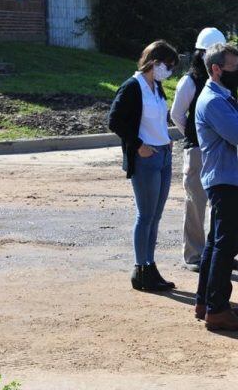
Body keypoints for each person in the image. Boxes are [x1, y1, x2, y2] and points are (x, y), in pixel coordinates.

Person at [193, 43, 238, 331]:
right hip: (225, 181)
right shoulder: (214, 101)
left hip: (226, 179)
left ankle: (206, 301)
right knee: (225, 245)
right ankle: (217, 309)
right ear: (216, 70)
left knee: (215, 243)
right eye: (234, 67)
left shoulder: (222, 96)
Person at [108, 40, 179, 292]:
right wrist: (138, 145)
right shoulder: (132, 86)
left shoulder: (156, 86)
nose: (169, 71)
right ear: (155, 62)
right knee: (145, 215)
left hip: (163, 155)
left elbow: (158, 117)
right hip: (145, 157)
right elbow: (114, 121)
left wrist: (165, 138)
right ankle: (140, 268)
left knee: (156, 216)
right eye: (168, 65)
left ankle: (150, 265)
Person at [170, 27, 236, 273]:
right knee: (196, 203)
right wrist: (195, 131)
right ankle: (194, 254)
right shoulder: (189, 81)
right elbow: (177, 114)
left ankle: (218, 252)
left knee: (220, 204)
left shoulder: (226, 81)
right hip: (197, 150)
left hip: (220, 151)